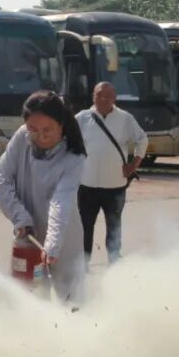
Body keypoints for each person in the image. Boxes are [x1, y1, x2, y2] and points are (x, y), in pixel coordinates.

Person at [0, 90, 87, 304]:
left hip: (64, 240)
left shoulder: (74, 158)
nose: (40, 137)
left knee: (69, 300)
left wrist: (53, 244)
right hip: (27, 236)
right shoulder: (22, 138)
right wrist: (20, 217)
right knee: (25, 296)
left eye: (47, 130)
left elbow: (60, 202)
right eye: (33, 130)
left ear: (61, 125)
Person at [75, 82, 148, 264]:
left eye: (108, 95)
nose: (103, 99)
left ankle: (114, 262)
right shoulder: (82, 118)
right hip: (87, 185)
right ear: (93, 97)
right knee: (84, 226)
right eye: (99, 95)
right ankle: (83, 263)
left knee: (114, 226)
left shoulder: (125, 118)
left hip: (115, 185)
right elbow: (68, 142)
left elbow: (142, 139)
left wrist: (134, 164)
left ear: (114, 98)